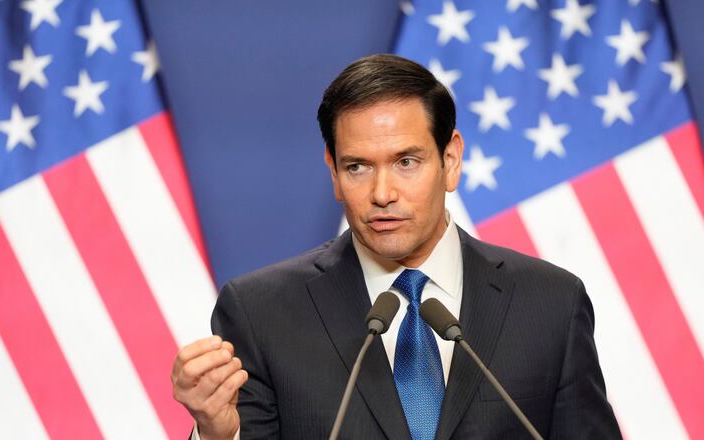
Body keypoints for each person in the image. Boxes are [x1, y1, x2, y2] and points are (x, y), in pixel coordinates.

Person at [171, 54, 621, 439]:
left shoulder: (550, 304)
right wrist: (216, 433)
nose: (382, 192)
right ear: (333, 173)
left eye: (406, 162)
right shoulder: (261, 314)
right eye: (358, 167)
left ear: (450, 160)